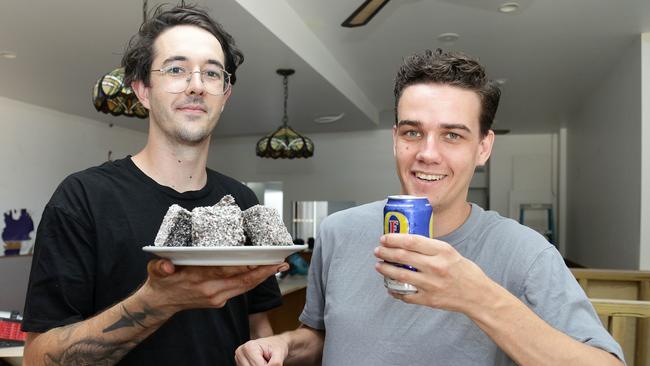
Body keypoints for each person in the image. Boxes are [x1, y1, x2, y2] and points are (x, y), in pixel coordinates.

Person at [235, 49, 625, 365]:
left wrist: (478, 298)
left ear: (483, 147)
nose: (427, 153)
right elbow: (321, 337)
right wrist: (285, 346)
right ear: (395, 139)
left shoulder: (526, 252)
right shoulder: (339, 232)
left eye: (452, 135)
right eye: (412, 132)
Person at [21, 5, 288, 366]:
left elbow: (257, 324)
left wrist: (263, 351)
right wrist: (156, 301)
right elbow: (39, 358)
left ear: (224, 95)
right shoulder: (83, 199)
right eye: (177, 69)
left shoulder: (242, 201)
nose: (196, 85)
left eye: (211, 73)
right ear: (143, 90)